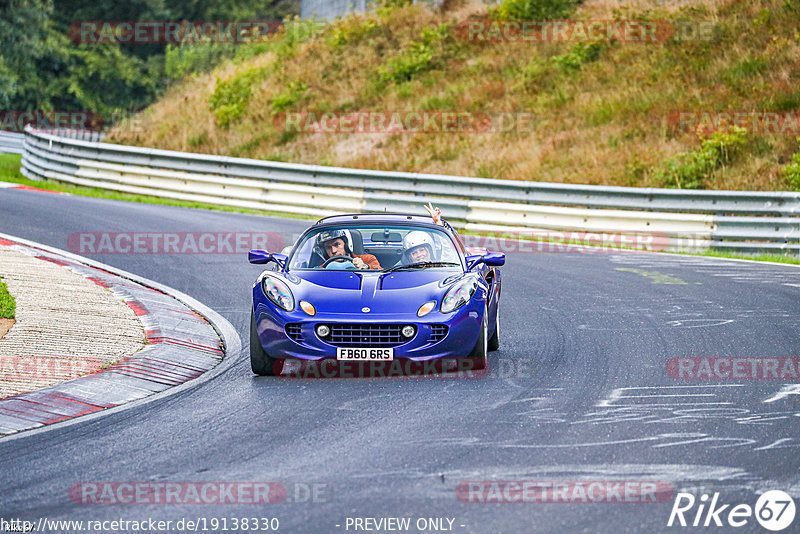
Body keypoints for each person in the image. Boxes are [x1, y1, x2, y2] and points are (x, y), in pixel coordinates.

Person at [314, 229, 381, 270]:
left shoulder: (368, 259)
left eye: (337, 244)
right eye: (328, 247)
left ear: (346, 245)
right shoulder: (323, 268)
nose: (333, 251)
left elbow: (381, 273)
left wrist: (365, 266)